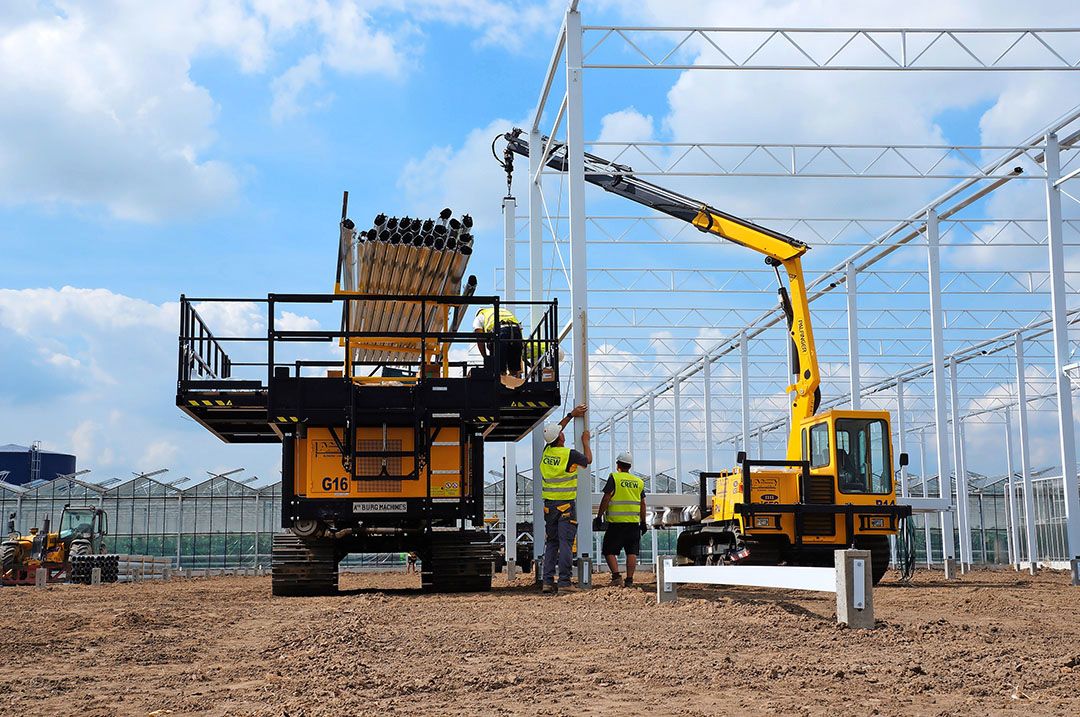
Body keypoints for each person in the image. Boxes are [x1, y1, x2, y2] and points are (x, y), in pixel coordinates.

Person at [539, 403, 591, 594]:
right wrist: (586, 441)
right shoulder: (568, 454)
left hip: (549, 507)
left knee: (552, 543)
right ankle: (564, 583)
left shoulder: (547, 452)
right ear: (560, 438)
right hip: (566, 507)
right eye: (560, 432)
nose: (562, 432)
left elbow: (555, 430)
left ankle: (547, 581)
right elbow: (588, 460)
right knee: (566, 544)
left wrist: (570, 415)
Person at [595, 451, 647, 587]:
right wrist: (643, 522)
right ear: (629, 466)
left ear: (618, 464)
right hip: (633, 524)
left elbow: (606, 497)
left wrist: (599, 516)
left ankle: (616, 576)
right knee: (632, 551)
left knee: (608, 550)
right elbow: (643, 503)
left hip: (616, 524)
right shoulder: (638, 482)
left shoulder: (614, 478)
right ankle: (629, 580)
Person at [474, 305, 523, 377]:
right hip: (516, 331)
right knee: (514, 369)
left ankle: (500, 383)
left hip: (500, 333)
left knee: (498, 369)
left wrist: (486, 358)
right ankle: (515, 383)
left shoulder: (480, 316)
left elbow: (479, 337)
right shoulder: (502, 311)